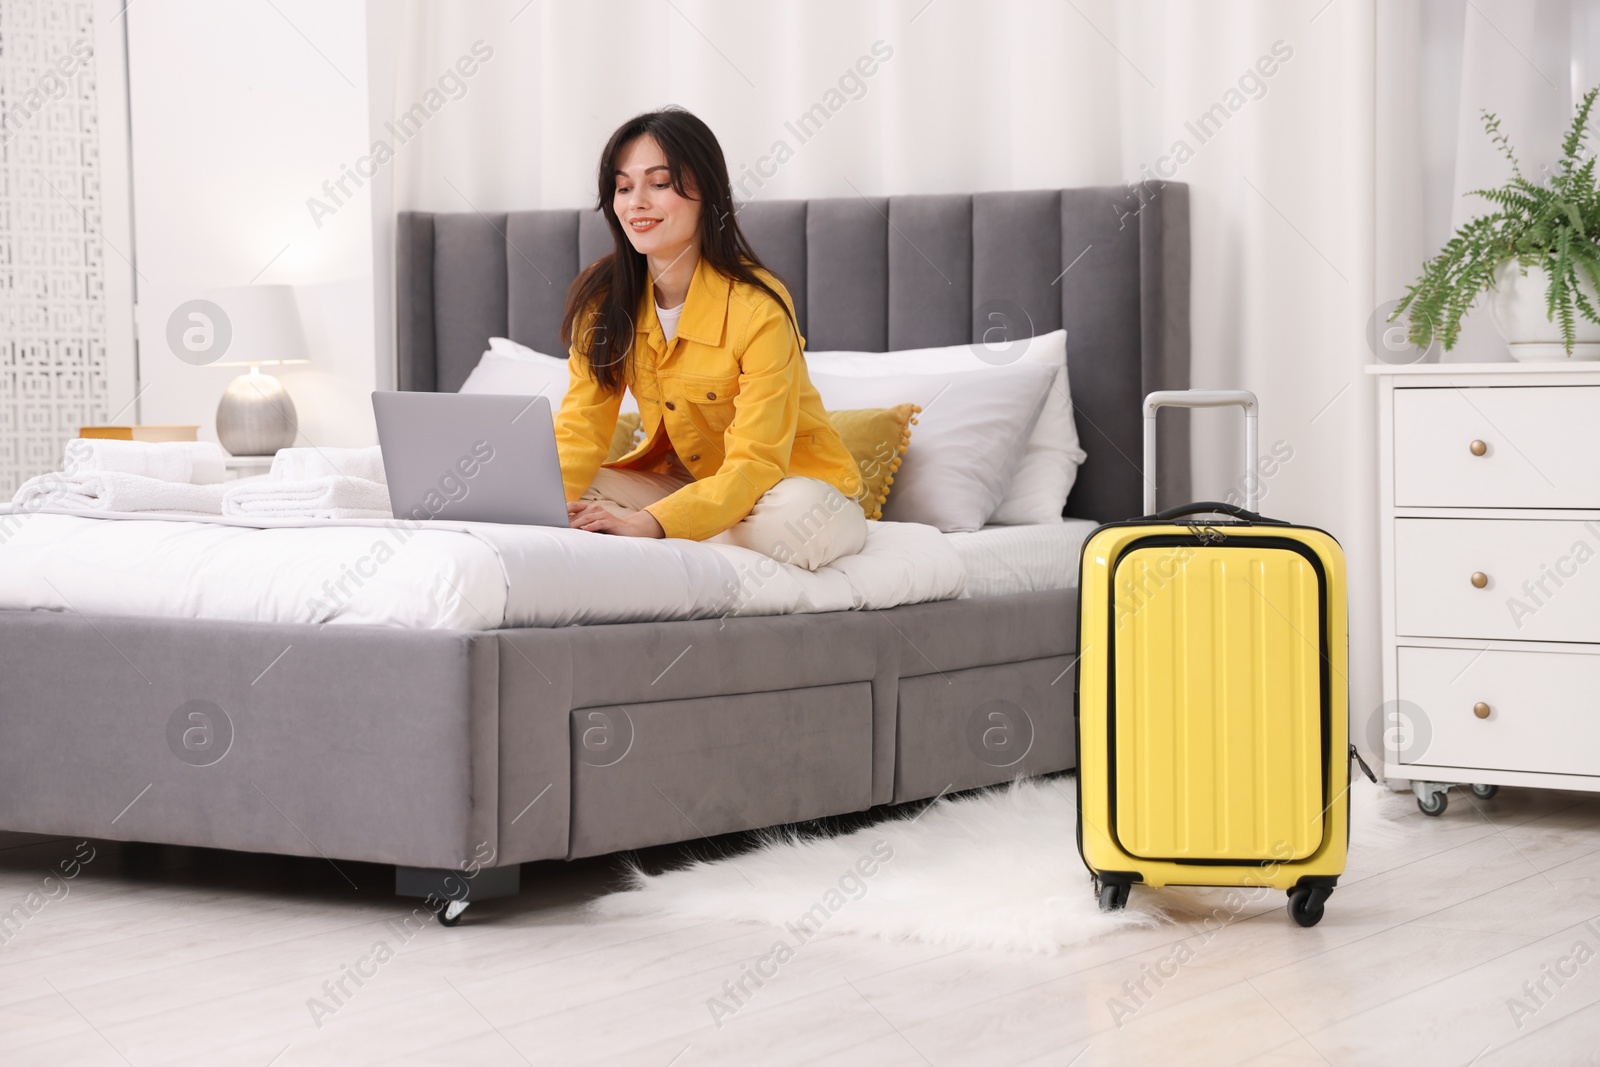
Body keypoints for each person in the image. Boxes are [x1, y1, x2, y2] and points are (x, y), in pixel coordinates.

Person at [555, 107, 867, 570]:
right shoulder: (604, 302)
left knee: (797, 523)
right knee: (573, 500)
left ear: (707, 193)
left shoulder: (758, 308)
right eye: (623, 187)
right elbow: (580, 428)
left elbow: (758, 462)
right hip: (683, 486)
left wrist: (656, 523)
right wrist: (531, 506)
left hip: (781, 488)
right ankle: (684, 524)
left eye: (659, 183)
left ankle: (675, 526)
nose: (636, 202)